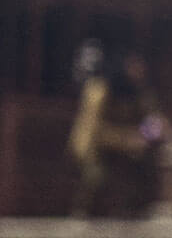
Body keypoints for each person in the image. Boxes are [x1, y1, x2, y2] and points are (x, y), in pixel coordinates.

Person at [68, 49, 165, 218]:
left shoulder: (139, 91)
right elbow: (94, 129)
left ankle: (135, 210)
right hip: (95, 146)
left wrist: (153, 131)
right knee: (95, 175)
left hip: (128, 145)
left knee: (146, 162)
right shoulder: (99, 90)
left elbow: (150, 120)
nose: (138, 72)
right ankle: (84, 213)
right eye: (133, 68)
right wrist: (127, 140)